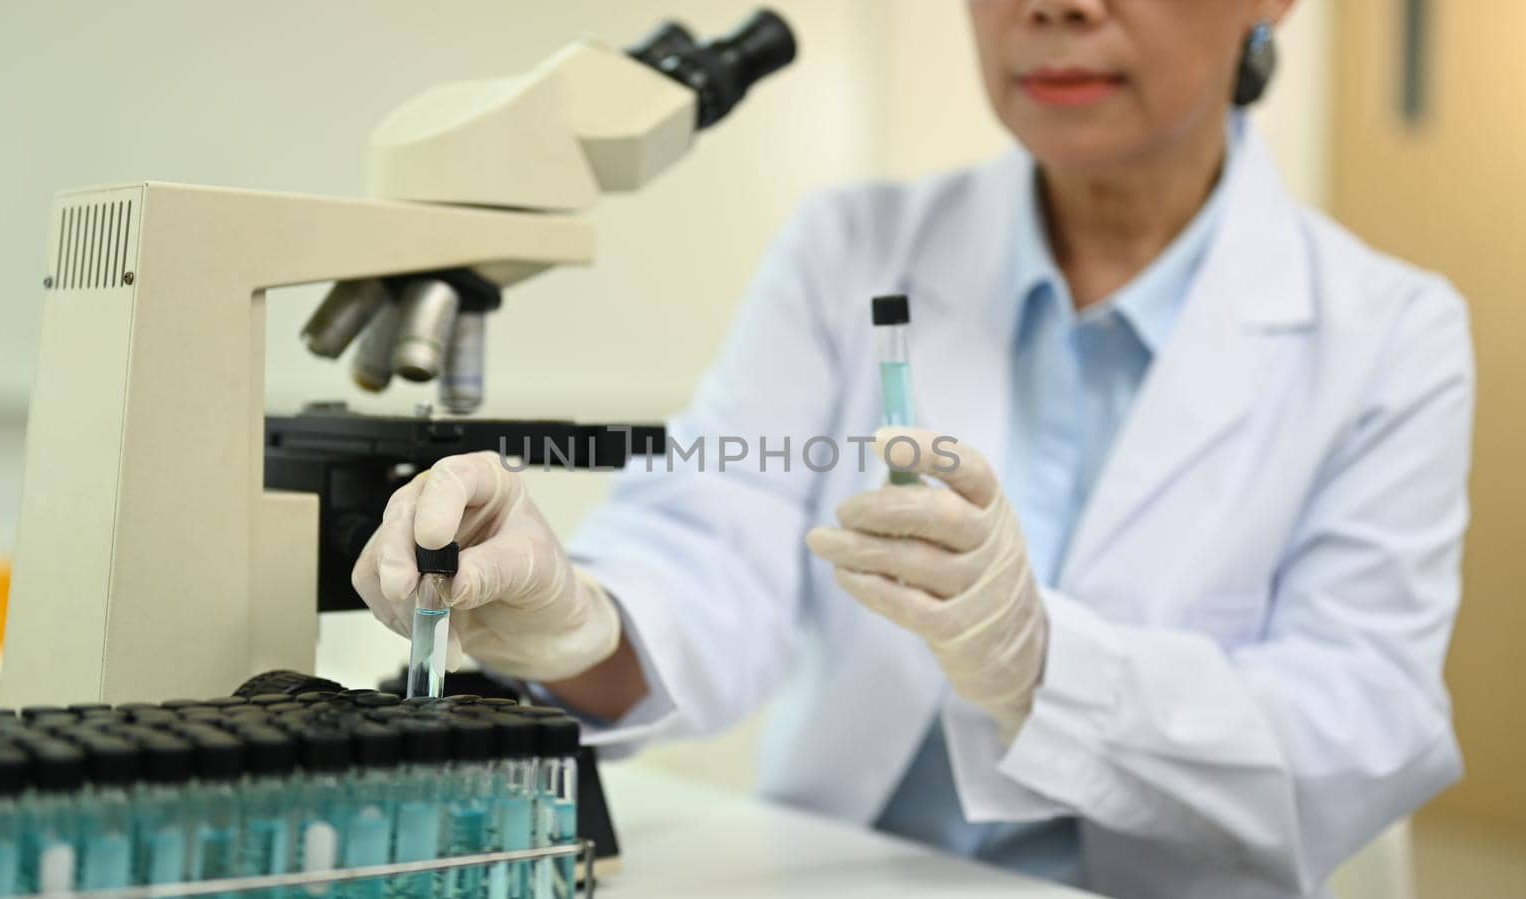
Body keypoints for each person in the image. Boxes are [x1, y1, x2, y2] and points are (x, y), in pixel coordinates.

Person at [354, 1, 1475, 896]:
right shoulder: (854, 247)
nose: (1056, 9)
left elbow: (1360, 719)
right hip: (845, 870)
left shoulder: (1387, 333)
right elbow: (714, 548)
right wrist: (576, 622)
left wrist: (1041, 667)